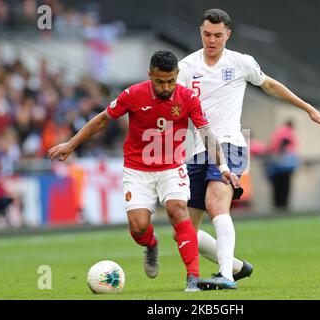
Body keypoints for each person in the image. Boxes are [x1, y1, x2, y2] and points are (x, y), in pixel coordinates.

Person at [48, 50, 240, 292]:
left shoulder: (187, 97)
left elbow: (206, 134)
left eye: (171, 80)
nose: (166, 86)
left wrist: (222, 166)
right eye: (160, 81)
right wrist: (71, 144)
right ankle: (150, 244)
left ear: (177, 75)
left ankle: (193, 279)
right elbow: (102, 120)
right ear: (150, 75)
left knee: (177, 210)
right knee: (138, 227)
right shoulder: (133, 94)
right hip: (137, 168)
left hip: (172, 166)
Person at [177, 8, 320, 290]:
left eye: (218, 36)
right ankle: (235, 265)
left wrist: (306, 107)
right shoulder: (186, 67)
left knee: (215, 204)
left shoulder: (241, 62)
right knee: (184, 229)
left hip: (231, 146)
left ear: (228, 35)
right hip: (197, 151)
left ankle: (224, 275)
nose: (212, 41)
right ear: (201, 32)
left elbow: (269, 85)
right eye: (207, 34)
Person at [265, 121, 299, 210]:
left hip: (277, 165)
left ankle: (277, 206)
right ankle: (283, 206)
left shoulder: (278, 131)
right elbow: (284, 141)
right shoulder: (287, 131)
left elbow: (273, 145)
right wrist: (280, 153)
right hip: (284, 164)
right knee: (284, 187)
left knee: (277, 187)